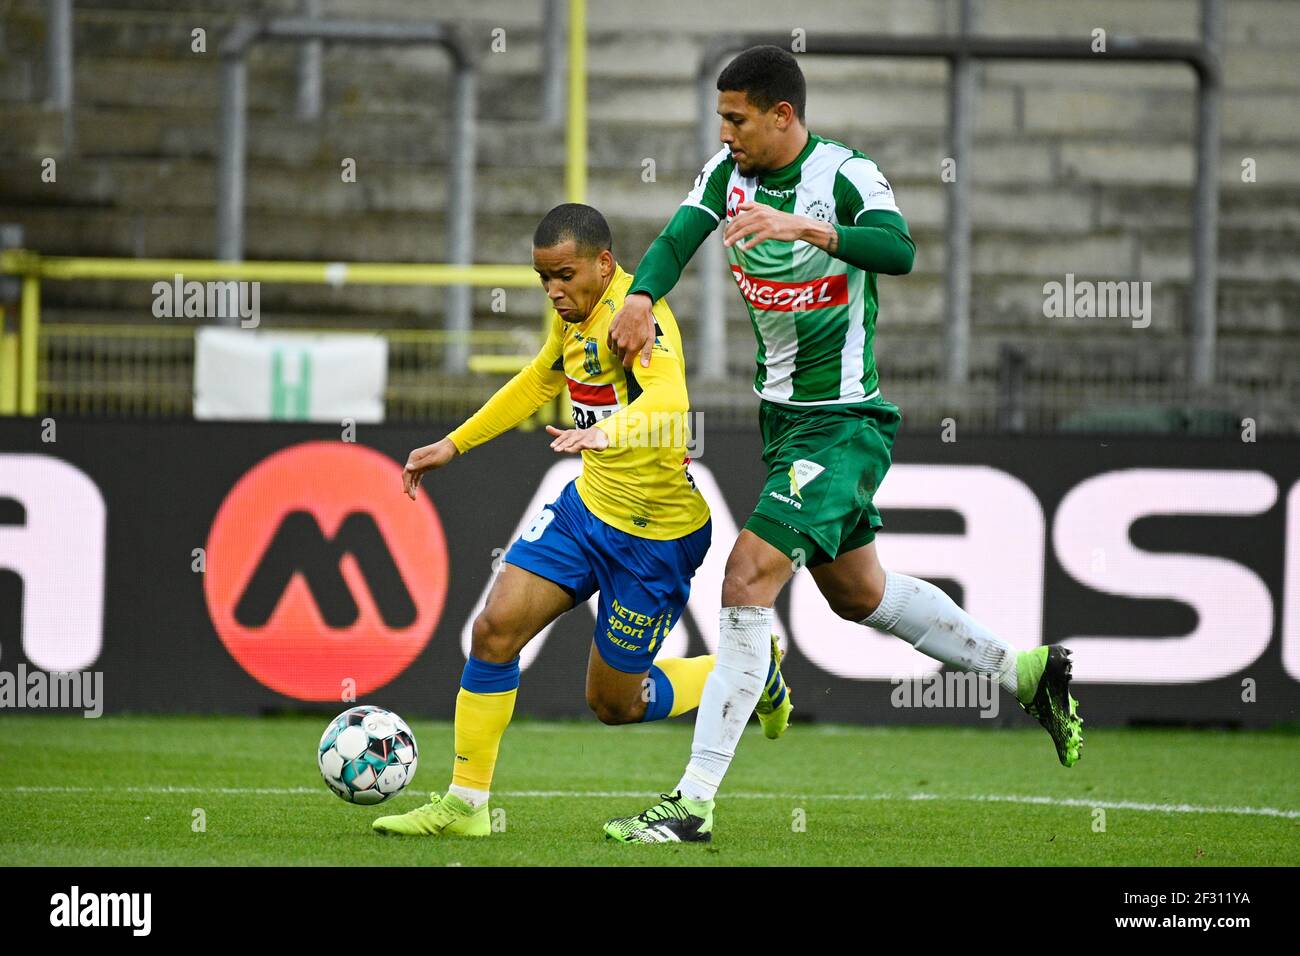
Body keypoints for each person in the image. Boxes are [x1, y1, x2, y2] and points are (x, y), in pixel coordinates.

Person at [602, 46, 1083, 844]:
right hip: (784, 420)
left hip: (844, 420)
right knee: (859, 593)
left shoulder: (848, 174)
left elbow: (899, 250)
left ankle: (690, 805)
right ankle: (1024, 672)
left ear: (781, 115)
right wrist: (642, 297)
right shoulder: (727, 177)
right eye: (721, 117)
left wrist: (803, 228)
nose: (724, 132)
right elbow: (677, 237)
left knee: (747, 576)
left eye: (736, 118)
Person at [371, 203, 791, 839]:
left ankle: (747, 670)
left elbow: (671, 401)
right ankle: (465, 805)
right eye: (544, 278)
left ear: (604, 263)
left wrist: (608, 433)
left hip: (655, 536)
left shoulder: (637, 317)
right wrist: (453, 445)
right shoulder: (572, 315)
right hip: (585, 510)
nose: (553, 290)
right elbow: (543, 376)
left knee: (613, 704)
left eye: (564, 275)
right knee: (493, 631)